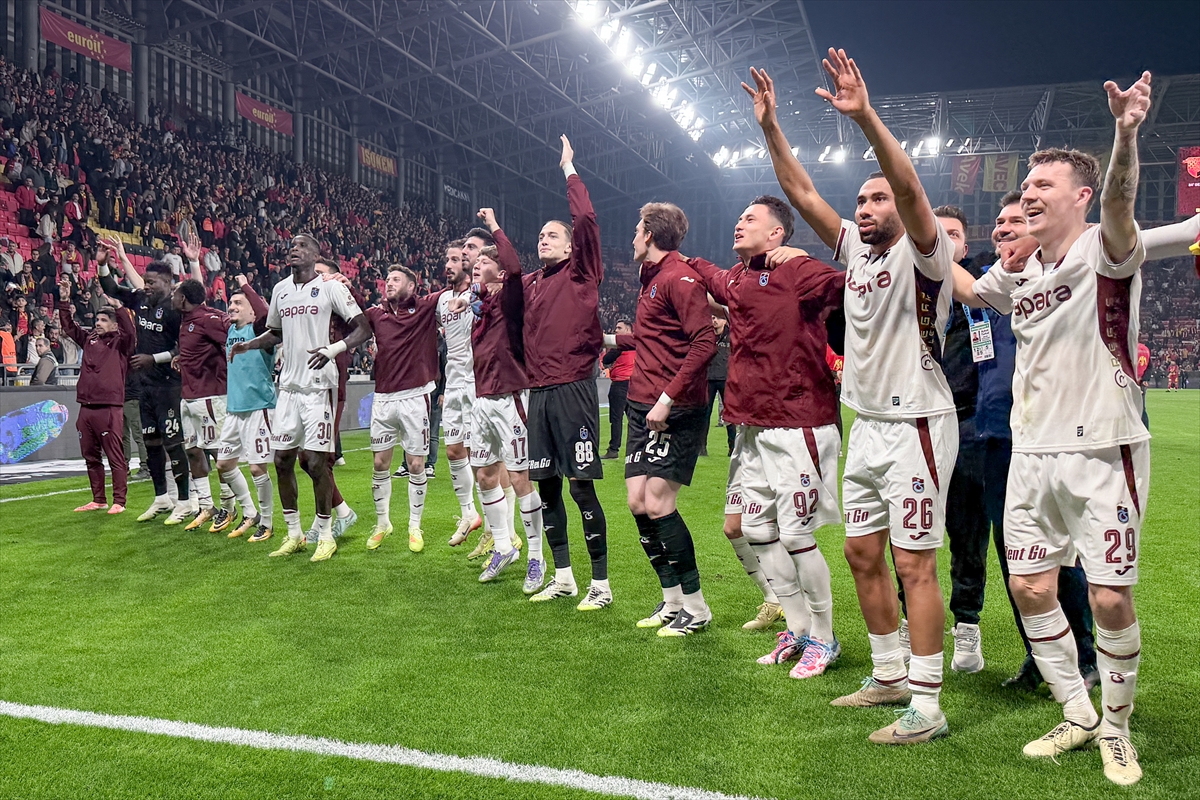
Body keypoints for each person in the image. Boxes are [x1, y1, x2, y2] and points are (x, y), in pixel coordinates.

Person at [748, 55, 957, 742]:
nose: (866, 209)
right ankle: (888, 674)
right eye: (861, 201)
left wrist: (865, 117)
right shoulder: (858, 255)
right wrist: (771, 127)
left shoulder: (924, 252)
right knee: (862, 554)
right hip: (866, 424)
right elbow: (802, 191)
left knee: (913, 563)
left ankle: (927, 705)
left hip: (918, 422)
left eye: (877, 200)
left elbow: (910, 184)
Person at [955, 72, 1153, 785]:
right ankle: (1077, 711)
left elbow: (1123, 199)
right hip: (1032, 454)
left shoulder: (1107, 248)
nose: (1030, 193)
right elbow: (963, 282)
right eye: (1026, 185)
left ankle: (1118, 730)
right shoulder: (1019, 277)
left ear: (1080, 197)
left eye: (1044, 184)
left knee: (1108, 597)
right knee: (1032, 588)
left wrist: (1125, 132)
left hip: (1102, 449)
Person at [692, 196, 845, 671]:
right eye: (739, 217)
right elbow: (709, 275)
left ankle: (825, 638)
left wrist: (804, 256)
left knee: (797, 535)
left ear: (777, 233)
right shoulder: (738, 278)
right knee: (756, 529)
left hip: (799, 422)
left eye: (750, 219)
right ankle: (798, 628)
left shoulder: (798, 270)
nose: (739, 223)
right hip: (751, 426)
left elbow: (848, 286)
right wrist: (674, 257)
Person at [977, 193, 1098, 694]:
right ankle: (1039, 655)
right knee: (1017, 559)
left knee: (1065, 557)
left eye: (1017, 220)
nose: (1005, 228)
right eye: (1000, 222)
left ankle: (1084, 657)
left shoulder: (1060, 276)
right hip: (995, 436)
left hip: (1055, 436)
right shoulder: (991, 288)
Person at [508, 135, 611, 611]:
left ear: (571, 246)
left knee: (580, 487)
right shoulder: (531, 284)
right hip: (540, 394)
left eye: (552, 235)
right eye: (540, 236)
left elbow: (586, 219)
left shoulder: (581, 272)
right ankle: (564, 577)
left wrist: (569, 169)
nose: (542, 240)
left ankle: (601, 584)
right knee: (547, 487)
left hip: (573, 389)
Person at [608, 202, 717, 636]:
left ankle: (697, 607)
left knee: (657, 503)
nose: (632, 238)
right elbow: (652, 337)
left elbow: (704, 343)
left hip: (674, 409)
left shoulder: (679, 278)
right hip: (641, 404)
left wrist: (667, 399)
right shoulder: (648, 277)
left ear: (650, 234)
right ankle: (672, 600)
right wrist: (605, 338)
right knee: (637, 503)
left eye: (637, 230)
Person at [230, 233, 371, 563]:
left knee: (317, 463)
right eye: (292, 245)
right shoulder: (281, 289)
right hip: (289, 388)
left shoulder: (330, 288)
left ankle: (326, 534)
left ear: (316, 255)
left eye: (303, 245)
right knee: (281, 460)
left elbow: (363, 328)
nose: (295, 249)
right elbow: (276, 333)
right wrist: (249, 344)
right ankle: (294, 534)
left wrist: (333, 349)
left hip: (319, 387)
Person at [456, 208, 543, 587]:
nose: (476, 265)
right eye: (475, 262)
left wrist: (493, 226)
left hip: (512, 399)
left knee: (520, 478)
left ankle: (536, 557)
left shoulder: (511, 298)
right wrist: (472, 297)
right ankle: (504, 546)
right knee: (485, 475)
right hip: (482, 401)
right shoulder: (482, 306)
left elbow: (515, 267)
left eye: (484, 262)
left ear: (501, 270)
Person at [98, 238, 193, 524]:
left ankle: (185, 502)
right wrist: (102, 265)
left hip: (170, 385)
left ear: (167, 282)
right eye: (146, 281)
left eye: (152, 282)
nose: (146, 286)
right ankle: (161, 498)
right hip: (145, 386)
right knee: (151, 442)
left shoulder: (175, 308)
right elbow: (112, 289)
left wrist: (154, 358)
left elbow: (183, 348)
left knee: (173, 443)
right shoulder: (140, 300)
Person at [362, 265, 444, 554]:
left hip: (414, 396)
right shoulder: (376, 314)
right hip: (383, 397)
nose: (389, 283)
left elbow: (452, 290)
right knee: (379, 464)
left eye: (396, 279)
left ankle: (414, 525)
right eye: (387, 279)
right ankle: (382, 523)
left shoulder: (425, 307)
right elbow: (352, 320)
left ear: (412, 286)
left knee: (416, 465)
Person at [57, 276, 136, 513]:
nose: (98, 323)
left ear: (115, 325)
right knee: (90, 456)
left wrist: (119, 308)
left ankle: (119, 501)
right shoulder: (90, 339)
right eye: (97, 319)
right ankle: (99, 499)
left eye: (104, 320)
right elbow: (69, 328)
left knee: (115, 457)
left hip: (109, 408)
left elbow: (131, 332)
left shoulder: (121, 344)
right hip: (86, 408)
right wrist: (64, 301)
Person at [172, 277, 237, 533]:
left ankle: (228, 507)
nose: (172, 297)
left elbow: (235, 336)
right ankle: (207, 506)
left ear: (183, 299)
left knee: (218, 452)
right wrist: (184, 357)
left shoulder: (209, 318)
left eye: (175, 293)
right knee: (192, 450)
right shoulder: (186, 320)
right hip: (188, 397)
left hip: (210, 396)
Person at [215, 274, 275, 543]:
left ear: (252, 311)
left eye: (239, 303)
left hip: (258, 408)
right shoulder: (230, 331)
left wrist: (245, 286)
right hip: (234, 409)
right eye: (231, 303)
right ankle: (250, 512)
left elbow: (266, 313)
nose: (232, 306)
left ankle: (268, 523)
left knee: (257, 468)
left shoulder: (261, 333)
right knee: (224, 464)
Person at [436, 238, 486, 546]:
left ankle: (496, 529)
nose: (449, 265)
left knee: (481, 457)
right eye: (448, 260)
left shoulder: (479, 294)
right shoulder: (442, 300)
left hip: (477, 382)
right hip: (453, 384)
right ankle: (469, 513)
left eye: (456, 259)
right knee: (454, 451)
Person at [311, 257, 360, 541]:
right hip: (303, 384)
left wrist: (348, 288)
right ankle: (341, 512)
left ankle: (325, 522)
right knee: (306, 458)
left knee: (319, 458)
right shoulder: (302, 299)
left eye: (321, 273)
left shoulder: (338, 299)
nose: (315, 276)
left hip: (330, 384)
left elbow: (363, 323)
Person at [703, 315, 737, 457]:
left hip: (726, 379)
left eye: (718, 318)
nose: (715, 321)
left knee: (730, 415)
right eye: (712, 318)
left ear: (724, 320)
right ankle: (702, 447)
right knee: (705, 415)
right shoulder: (707, 335)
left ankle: (732, 447)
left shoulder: (732, 336)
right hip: (709, 379)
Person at [601, 319, 633, 460]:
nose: (616, 330)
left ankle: (614, 449)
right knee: (635, 420)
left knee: (616, 419)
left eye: (619, 328)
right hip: (634, 384)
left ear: (628, 330)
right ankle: (637, 450)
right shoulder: (638, 344)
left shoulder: (621, 346)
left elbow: (606, 360)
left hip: (620, 384)